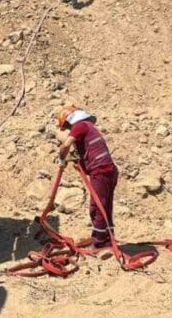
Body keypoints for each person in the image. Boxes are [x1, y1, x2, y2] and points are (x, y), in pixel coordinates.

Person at [57, 105, 118, 248]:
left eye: (66, 125)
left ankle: (99, 241)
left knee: (97, 207)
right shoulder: (88, 126)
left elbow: (65, 146)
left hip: (100, 171)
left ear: (70, 120)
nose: (68, 129)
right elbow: (89, 151)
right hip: (109, 171)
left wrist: (61, 160)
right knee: (105, 206)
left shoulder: (80, 126)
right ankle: (108, 238)